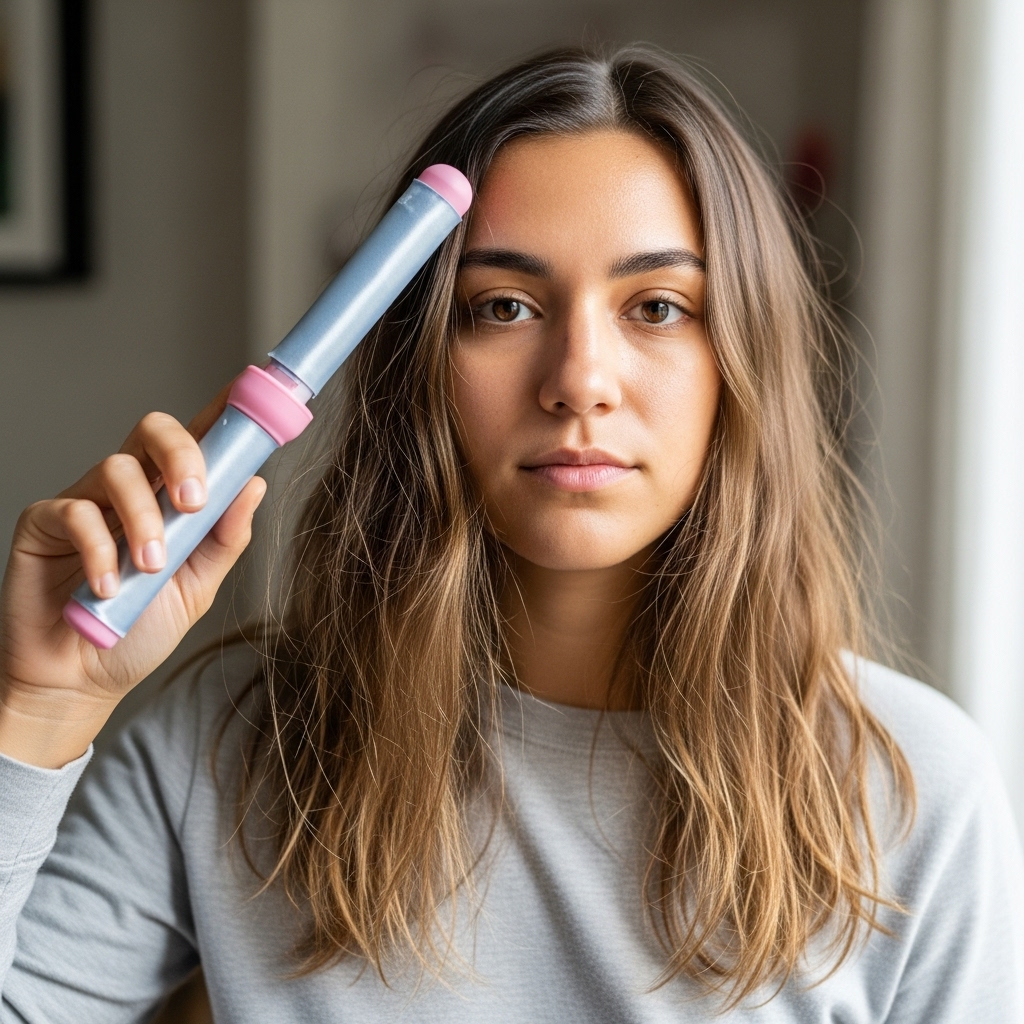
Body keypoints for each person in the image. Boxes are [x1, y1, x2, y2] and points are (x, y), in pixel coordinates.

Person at [1, 46, 1022, 1023]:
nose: (579, 380)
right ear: (418, 368)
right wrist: (39, 705)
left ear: (743, 362)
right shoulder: (231, 740)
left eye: (657, 306)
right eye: (502, 307)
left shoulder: (913, 789)